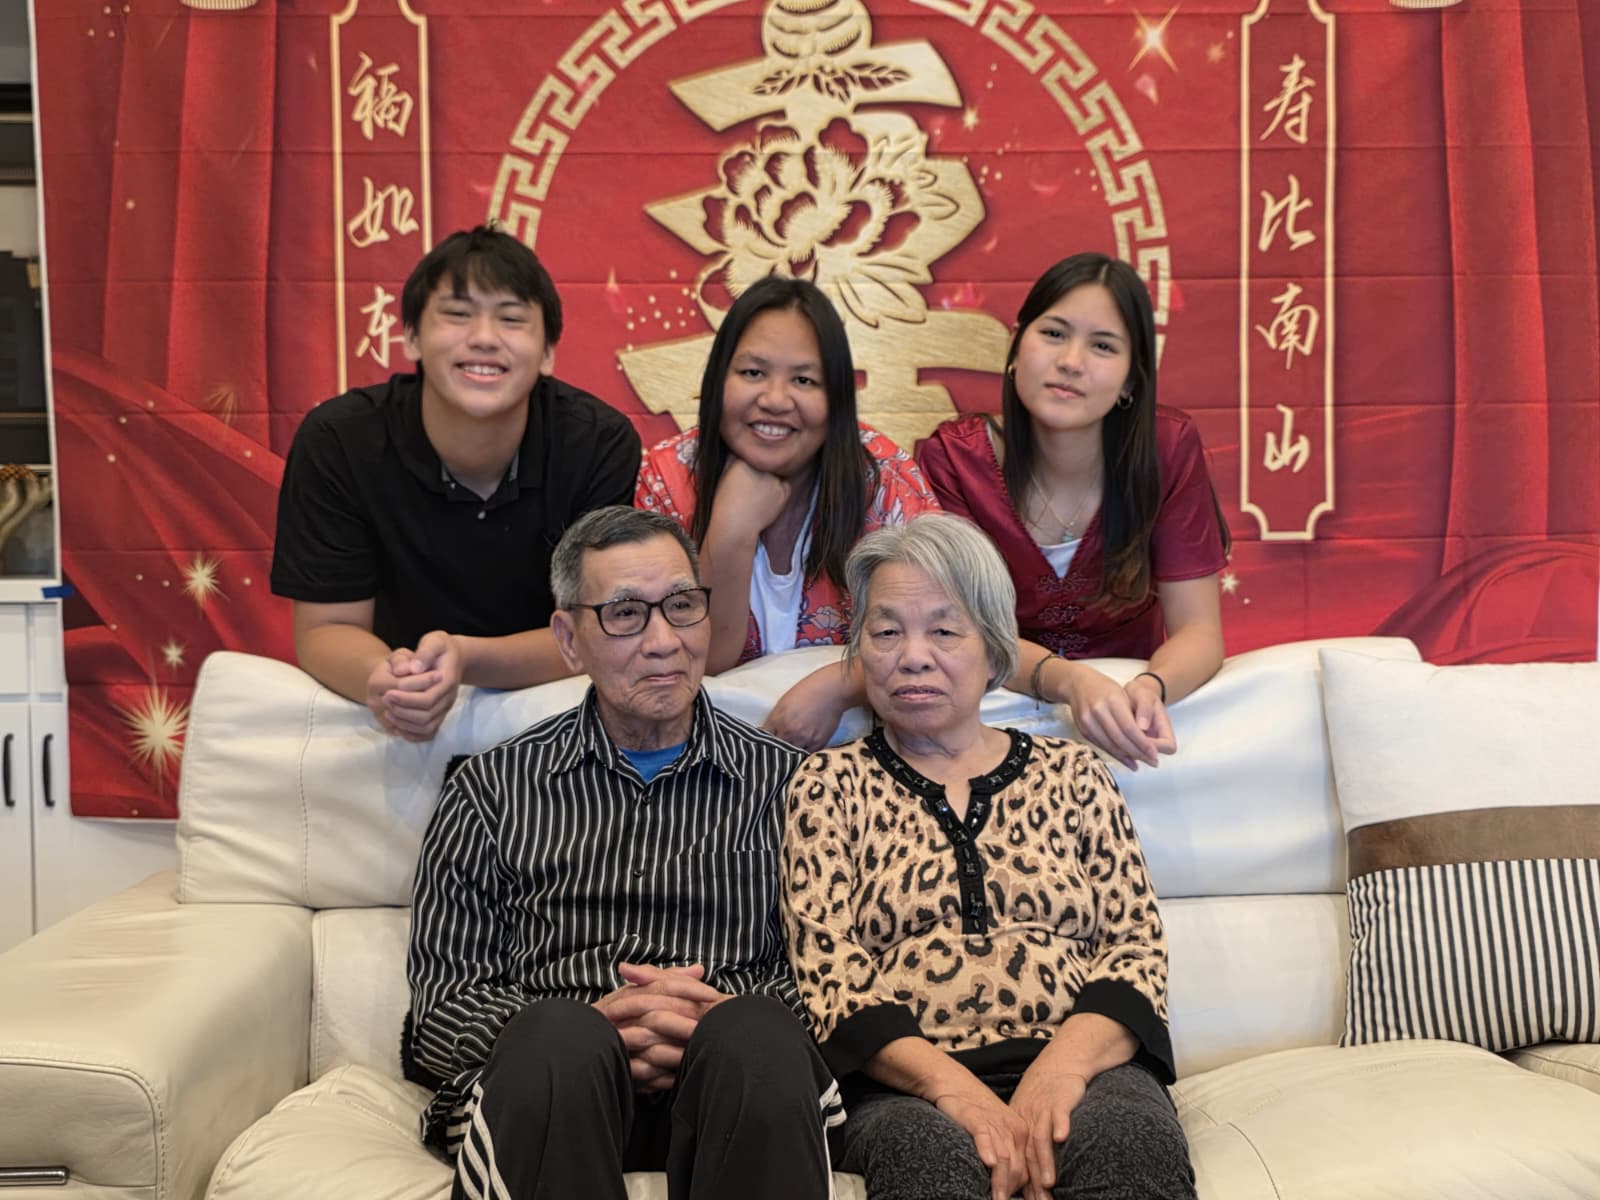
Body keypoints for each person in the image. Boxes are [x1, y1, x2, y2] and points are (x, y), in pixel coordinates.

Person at [403, 505, 840, 1200]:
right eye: (626, 614)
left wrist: (703, 1020)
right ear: (568, 640)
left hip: (737, 1083)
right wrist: (602, 1031)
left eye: (682, 606)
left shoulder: (792, 786)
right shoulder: (491, 791)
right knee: (561, 1037)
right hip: (552, 1086)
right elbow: (443, 1007)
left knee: (754, 1032)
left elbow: (833, 977)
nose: (664, 641)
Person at [781, 514, 1195, 1200]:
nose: (914, 656)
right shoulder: (827, 785)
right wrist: (957, 1092)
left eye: (945, 631)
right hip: (905, 1089)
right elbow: (830, 970)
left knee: (1129, 1146)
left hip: (1088, 1069)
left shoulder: (1074, 773)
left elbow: (1135, 946)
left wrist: (1058, 1074)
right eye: (886, 632)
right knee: (928, 1166)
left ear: (995, 652)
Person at [771, 254, 1227, 769]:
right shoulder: (956, 459)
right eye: (1053, 334)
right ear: (1016, 347)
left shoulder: (1168, 449)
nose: (1071, 361)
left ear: (1131, 380)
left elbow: (1199, 631)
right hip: (989, 705)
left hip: (1124, 705)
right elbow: (954, 628)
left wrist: (1150, 687)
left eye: (1103, 346)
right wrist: (1072, 682)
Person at [271, 225, 641, 741]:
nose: (484, 337)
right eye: (457, 314)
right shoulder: (339, 441)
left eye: (511, 318)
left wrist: (464, 658)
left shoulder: (598, 444)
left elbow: (598, 632)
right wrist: (390, 683)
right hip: (393, 718)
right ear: (411, 337)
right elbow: (328, 628)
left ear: (548, 352)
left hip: (554, 709)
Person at [635, 274, 939, 673]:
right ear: (717, 379)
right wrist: (730, 533)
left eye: (803, 380)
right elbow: (683, 662)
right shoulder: (666, 480)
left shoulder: (886, 480)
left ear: (837, 398)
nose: (775, 401)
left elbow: (939, 643)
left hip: (857, 708)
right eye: (752, 373)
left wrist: (830, 690)